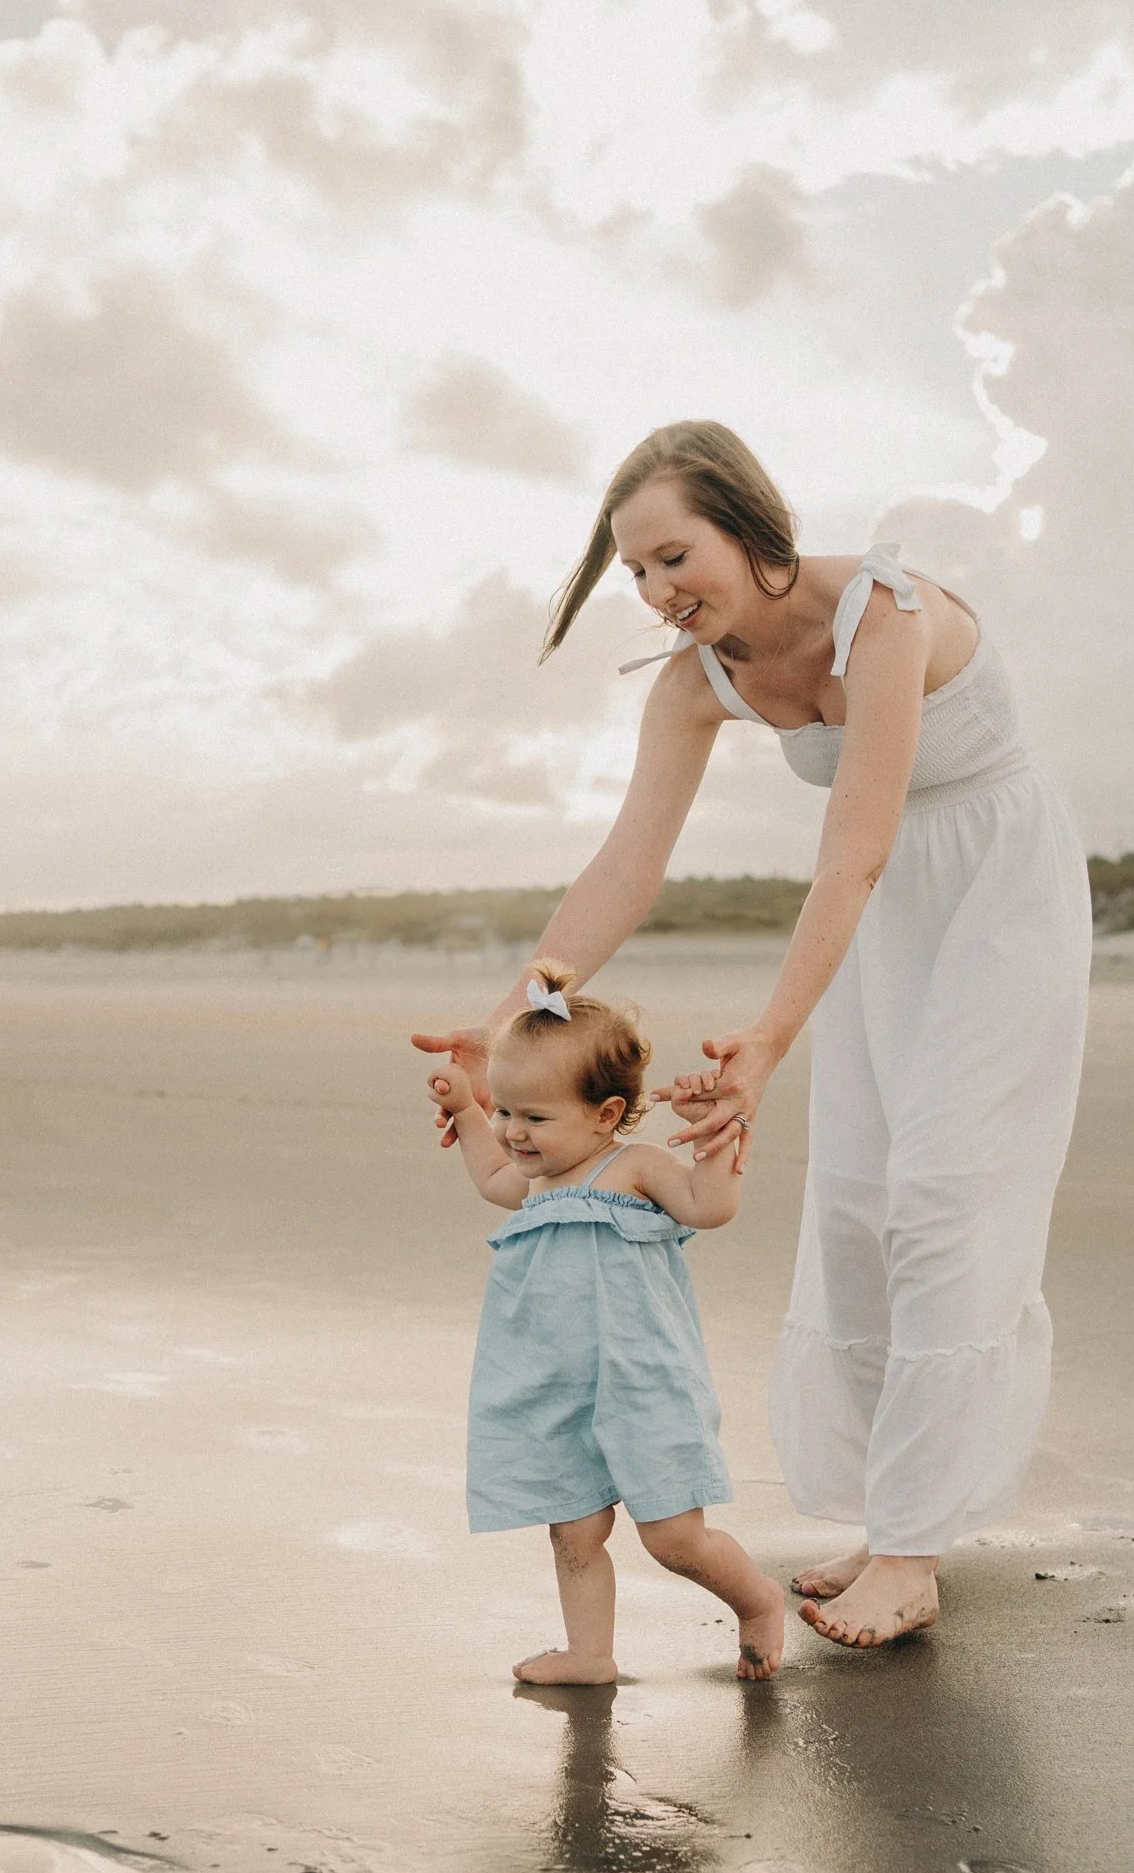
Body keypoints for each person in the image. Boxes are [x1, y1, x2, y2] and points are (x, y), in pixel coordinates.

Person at [414, 421, 1093, 1653]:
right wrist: (514, 1016)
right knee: (859, 1204)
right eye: (634, 571)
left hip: (995, 894)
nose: (656, 590)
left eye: (673, 556)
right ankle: (893, 1517)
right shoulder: (694, 681)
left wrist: (770, 1037)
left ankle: (912, 1553)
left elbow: (853, 848)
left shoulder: (883, 614)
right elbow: (625, 866)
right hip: (881, 921)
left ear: (746, 523)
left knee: (945, 1199)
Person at [429, 958, 786, 1686]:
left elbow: (709, 1207)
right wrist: (466, 1110)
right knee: (573, 1528)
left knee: (674, 1538)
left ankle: (757, 1602)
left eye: (534, 1118)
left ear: (605, 1113)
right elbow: (491, 1177)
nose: (513, 1132)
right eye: (505, 1112)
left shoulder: (634, 1167)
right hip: (555, 1384)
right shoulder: (534, 1180)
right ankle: (590, 1653)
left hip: (644, 1379)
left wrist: (715, 1138)